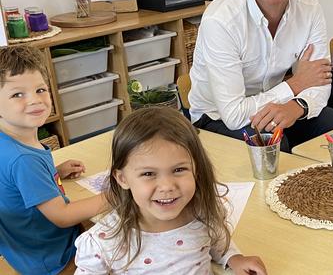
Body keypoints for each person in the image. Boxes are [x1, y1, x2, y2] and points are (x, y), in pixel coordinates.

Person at [189, 0, 333, 152]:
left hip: (277, 105)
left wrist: (297, 105)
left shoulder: (310, 10)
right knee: (272, 142)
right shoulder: (221, 20)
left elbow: (320, 82)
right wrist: (295, 84)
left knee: (331, 123)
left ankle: (318, 188)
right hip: (215, 120)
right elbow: (233, 114)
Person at [74, 107, 267, 274]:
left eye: (179, 170)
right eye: (148, 173)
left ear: (196, 169)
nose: (167, 186)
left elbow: (216, 241)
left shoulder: (202, 213)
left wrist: (234, 258)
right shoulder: (104, 241)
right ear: (122, 179)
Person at [0, 45, 107, 274]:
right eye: (18, 94)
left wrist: (54, 171)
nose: (35, 101)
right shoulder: (24, 160)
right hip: (55, 258)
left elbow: (16, 186)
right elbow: (62, 216)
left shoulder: (10, 141)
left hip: (25, 252)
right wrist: (113, 196)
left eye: (40, 89)